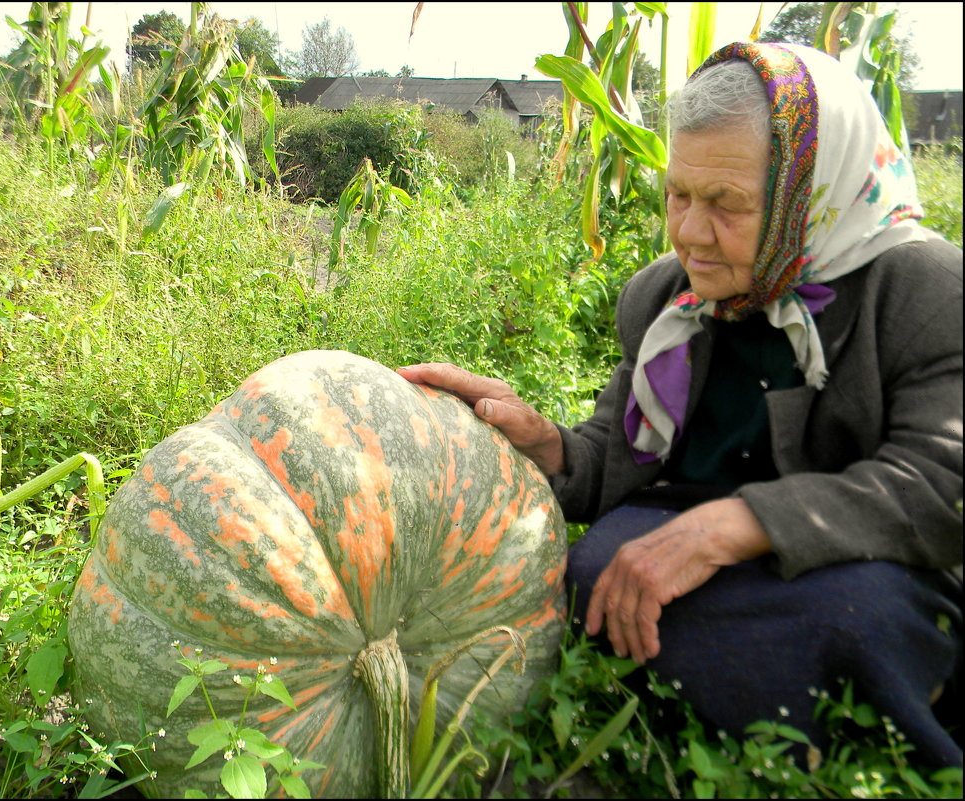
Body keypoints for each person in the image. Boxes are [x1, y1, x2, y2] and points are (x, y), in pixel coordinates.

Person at [397, 41, 963, 767]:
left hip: (860, 565)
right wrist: (547, 445)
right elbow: (615, 459)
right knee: (588, 574)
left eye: (727, 205)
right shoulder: (665, 298)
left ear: (809, 194)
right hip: (705, 558)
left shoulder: (924, 289)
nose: (690, 233)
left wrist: (737, 523)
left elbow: (944, 488)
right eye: (678, 195)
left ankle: (858, 744)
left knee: (853, 619)